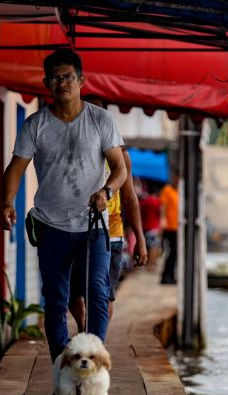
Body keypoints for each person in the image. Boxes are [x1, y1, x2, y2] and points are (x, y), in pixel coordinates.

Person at [0, 49, 127, 369]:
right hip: (51, 226)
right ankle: (62, 371)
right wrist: (6, 202)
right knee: (55, 302)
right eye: (55, 78)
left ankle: (95, 367)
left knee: (97, 295)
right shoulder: (36, 124)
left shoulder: (100, 119)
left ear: (82, 80)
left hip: (93, 225)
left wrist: (106, 191)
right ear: (46, 84)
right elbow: (15, 169)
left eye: (68, 77)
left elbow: (120, 169)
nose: (62, 83)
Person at [68, 95, 148, 332]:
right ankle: (84, 330)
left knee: (104, 296)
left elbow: (130, 199)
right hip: (72, 230)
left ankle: (95, 341)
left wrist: (140, 240)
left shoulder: (120, 154)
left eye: (97, 112)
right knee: (73, 293)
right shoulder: (71, 144)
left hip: (110, 234)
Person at [159, 175, 179, 285]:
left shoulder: (179, 192)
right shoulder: (167, 190)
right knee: (172, 251)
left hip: (177, 226)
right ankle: (166, 276)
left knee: (175, 252)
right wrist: (163, 220)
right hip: (169, 226)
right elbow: (163, 206)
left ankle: (170, 275)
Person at [138, 184, 162, 271]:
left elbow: (139, 211)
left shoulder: (144, 201)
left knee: (147, 246)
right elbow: (160, 214)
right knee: (153, 247)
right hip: (154, 227)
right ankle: (151, 264)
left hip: (145, 227)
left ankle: (147, 263)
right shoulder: (157, 201)